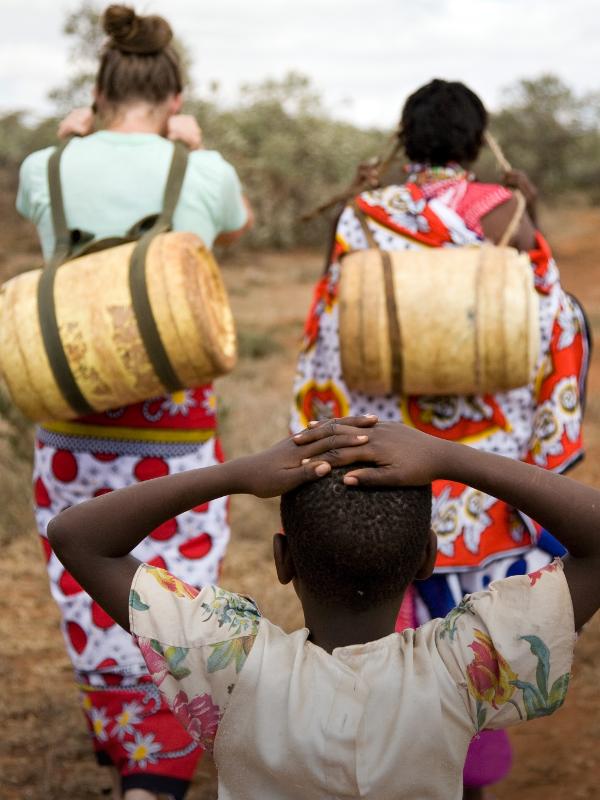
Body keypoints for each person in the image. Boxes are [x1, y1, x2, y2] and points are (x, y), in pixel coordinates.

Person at [291, 78, 589, 796]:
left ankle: (372, 761)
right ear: (477, 143)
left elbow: (327, 330)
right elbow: (551, 321)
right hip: (477, 474)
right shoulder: (502, 210)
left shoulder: (364, 214)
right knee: (469, 643)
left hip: (384, 470)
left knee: (381, 618)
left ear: (406, 141)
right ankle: (466, 772)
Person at [46, 414, 598, 799]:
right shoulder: (461, 668)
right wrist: (448, 456)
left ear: (282, 560)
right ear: (428, 559)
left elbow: (76, 535)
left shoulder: (230, 663)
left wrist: (236, 474)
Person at [16, 5, 252, 799]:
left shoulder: (46, 166)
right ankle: (156, 768)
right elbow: (234, 230)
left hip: (69, 425)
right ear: (176, 98)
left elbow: (37, 215)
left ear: (98, 91)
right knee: (175, 595)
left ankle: (126, 742)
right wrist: (195, 152)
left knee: (86, 586)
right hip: (175, 434)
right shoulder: (204, 172)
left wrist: (69, 141)